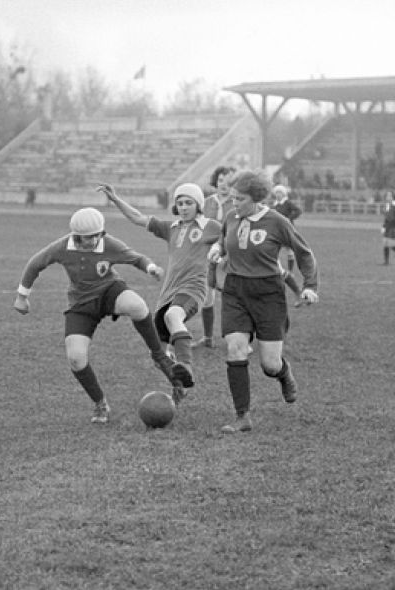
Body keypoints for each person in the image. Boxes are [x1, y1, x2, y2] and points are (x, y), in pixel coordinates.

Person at [13, 206, 194, 424]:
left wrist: (151, 268)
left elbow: (136, 258)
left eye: (96, 236)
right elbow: (35, 264)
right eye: (87, 237)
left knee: (137, 305)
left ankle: (159, 356)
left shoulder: (108, 243)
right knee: (76, 359)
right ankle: (100, 403)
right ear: (75, 235)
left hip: (110, 291)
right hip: (81, 305)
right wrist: (22, 297)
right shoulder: (62, 247)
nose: (92, 241)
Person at [208, 170, 318, 434]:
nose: (234, 204)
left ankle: (283, 372)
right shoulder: (232, 217)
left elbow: (304, 253)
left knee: (269, 365)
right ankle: (242, 416)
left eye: (240, 199)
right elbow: (225, 239)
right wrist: (217, 248)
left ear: (256, 198)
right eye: (232, 198)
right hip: (235, 290)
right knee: (235, 348)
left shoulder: (276, 221)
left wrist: (310, 286)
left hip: (268, 293)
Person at [96, 181, 221, 402]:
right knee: (159, 355)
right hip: (168, 293)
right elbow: (138, 217)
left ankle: (187, 367)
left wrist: (220, 251)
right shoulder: (170, 228)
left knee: (174, 316)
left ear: (198, 205)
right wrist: (115, 199)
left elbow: (230, 236)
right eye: (180, 203)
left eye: (188, 203)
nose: (183, 207)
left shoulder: (209, 226)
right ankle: (179, 384)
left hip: (193, 288)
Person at [199, 165, 236, 347]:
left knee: (234, 299)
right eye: (221, 180)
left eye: (229, 182)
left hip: (231, 258)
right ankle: (207, 338)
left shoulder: (238, 203)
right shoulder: (206, 202)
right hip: (208, 256)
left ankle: (241, 339)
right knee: (207, 297)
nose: (224, 185)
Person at [268, 184, 305, 303]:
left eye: (280, 192)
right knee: (273, 256)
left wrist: (289, 218)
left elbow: (298, 210)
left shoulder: (287, 203)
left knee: (288, 251)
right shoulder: (274, 205)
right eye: (276, 192)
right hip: (275, 233)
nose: (278, 194)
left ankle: (290, 272)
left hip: (286, 231)